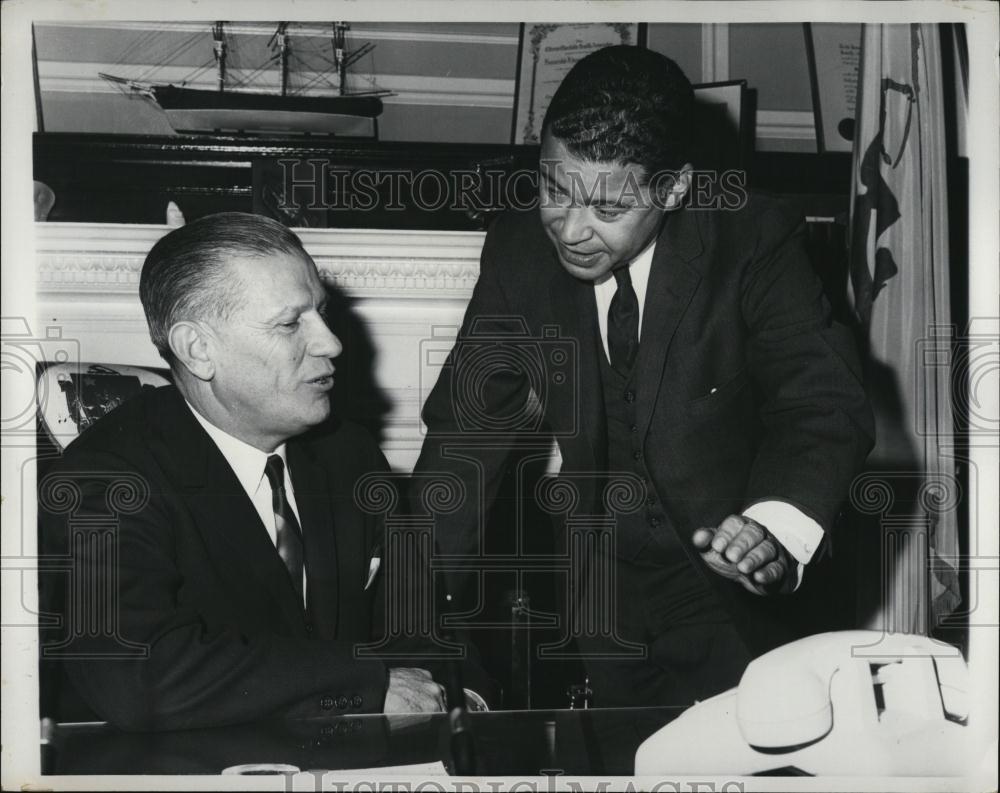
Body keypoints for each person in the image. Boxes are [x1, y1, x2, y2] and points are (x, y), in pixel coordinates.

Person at [412, 46, 875, 707]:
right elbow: (466, 432)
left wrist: (775, 529)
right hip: (603, 605)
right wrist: (416, 606)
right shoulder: (518, 250)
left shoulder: (752, 239)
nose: (569, 229)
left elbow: (822, 405)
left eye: (606, 207)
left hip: (736, 603)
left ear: (674, 188)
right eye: (552, 189)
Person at [38, 212, 448, 730]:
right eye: (290, 323)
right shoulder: (102, 480)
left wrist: (467, 704)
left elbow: (421, 629)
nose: (331, 343)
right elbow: (137, 677)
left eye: (320, 313)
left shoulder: (350, 455)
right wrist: (359, 687)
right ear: (198, 349)